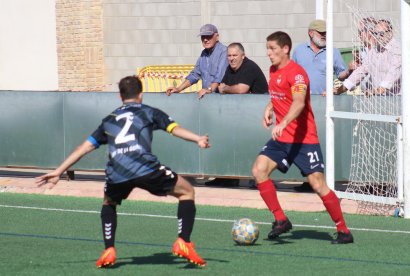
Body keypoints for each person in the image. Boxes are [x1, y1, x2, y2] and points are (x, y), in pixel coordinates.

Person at [35, 76, 210, 268]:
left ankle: (109, 249)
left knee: (109, 202)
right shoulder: (149, 112)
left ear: (120, 96)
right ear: (141, 95)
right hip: (145, 168)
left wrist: (59, 170)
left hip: (117, 173)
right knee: (187, 192)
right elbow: (174, 129)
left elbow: (83, 148)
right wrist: (198, 139)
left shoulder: (109, 120)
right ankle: (183, 242)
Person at [251, 31, 354, 244]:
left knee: (318, 185)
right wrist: (269, 107)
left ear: (285, 49)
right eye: (267, 48)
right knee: (258, 170)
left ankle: (344, 230)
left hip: (304, 139)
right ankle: (281, 219)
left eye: (272, 49)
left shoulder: (297, 74)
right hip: (282, 139)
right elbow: (280, 95)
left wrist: (283, 123)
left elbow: (298, 102)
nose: (268, 53)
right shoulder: (272, 70)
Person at [334, 19, 401, 95]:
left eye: (381, 33)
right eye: (375, 34)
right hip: (377, 99)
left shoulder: (397, 50)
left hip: (396, 100)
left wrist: (379, 90)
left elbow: (393, 73)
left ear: (390, 33)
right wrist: (339, 90)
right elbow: (361, 71)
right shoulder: (375, 50)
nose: (378, 37)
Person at [166, 24, 228, 99]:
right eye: (203, 37)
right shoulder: (204, 54)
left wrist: (209, 89)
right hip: (207, 98)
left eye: (208, 36)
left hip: (222, 99)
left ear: (217, 37)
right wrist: (178, 89)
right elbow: (195, 75)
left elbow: (219, 77)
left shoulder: (224, 52)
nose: (205, 39)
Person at [292, 19, 350, 96]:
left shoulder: (333, 51)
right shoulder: (299, 50)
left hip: (324, 99)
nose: (324, 35)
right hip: (302, 99)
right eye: (321, 32)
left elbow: (341, 76)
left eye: (326, 32)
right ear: (311, 33)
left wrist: (348, 71)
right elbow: (291, 74)